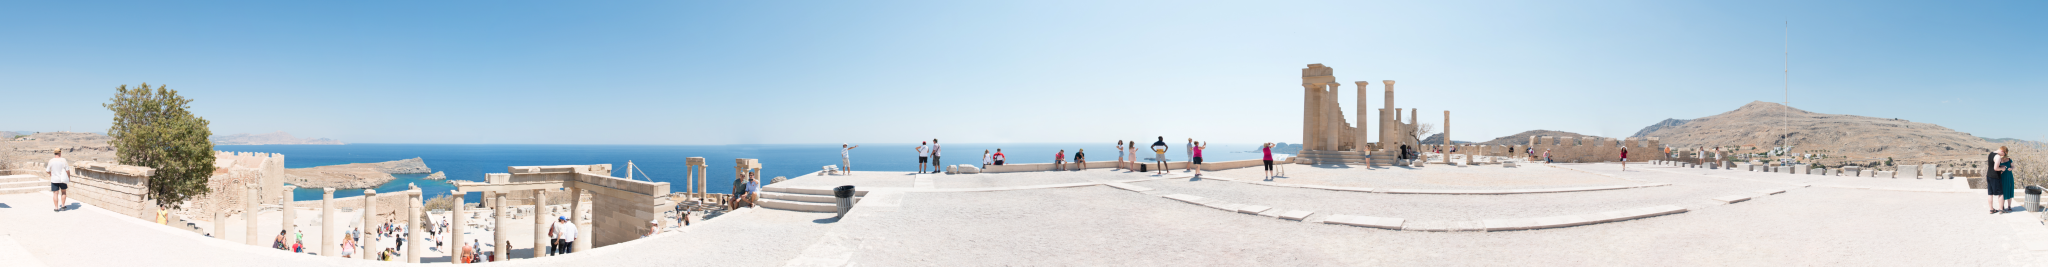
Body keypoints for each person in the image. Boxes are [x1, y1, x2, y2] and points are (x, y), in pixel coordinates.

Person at [1998, 146, 2016, 213]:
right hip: (2002, 177)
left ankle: (2009, 206)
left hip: (2009, 176)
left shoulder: (2009, 159)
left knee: (2009, 190)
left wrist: (2011, 168)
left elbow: (2013, 166)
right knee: (2003, 191)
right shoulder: (1999, 159)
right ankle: (2002, 206)